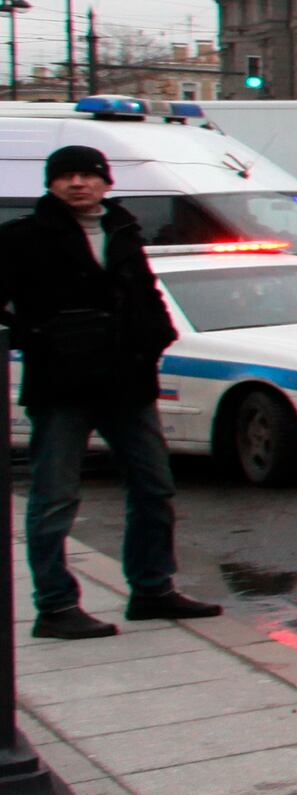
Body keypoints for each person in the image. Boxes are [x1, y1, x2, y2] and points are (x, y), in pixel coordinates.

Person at [2, 145, 216, 639]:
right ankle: (55, 606)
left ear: (106, 182)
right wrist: (36, 334)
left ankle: (152, 589)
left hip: (127, 380)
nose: (78, 183)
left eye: (88, 175)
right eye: (66, 176)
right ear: (51, 184)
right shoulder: (21, 237)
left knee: (154, 488)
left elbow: (146, 293)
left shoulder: (123, 230)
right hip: (61, 386)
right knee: (55, 497)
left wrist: (156, 336)